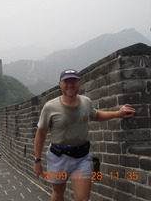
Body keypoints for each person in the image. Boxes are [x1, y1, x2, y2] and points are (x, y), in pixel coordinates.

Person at [33, 69, 135, 201]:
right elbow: (40, 135)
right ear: (60, 84)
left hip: (81, 158)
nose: (70, 85)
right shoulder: (50, 107)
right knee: (58, 193)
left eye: (73, 81)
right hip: (58, 157)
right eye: (66, 82)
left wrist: (118, 113)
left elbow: (96, 115)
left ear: (79, 83)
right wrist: (37, 160)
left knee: (82, 198)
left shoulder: (86, 102)